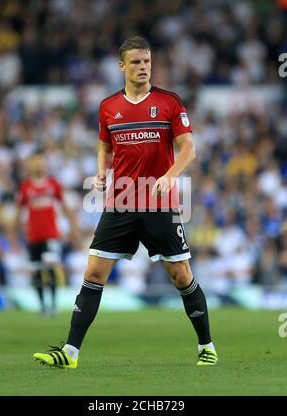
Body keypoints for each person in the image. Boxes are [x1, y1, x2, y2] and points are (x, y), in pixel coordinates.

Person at [33, 36, 218, 367]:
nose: (143, 67)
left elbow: (189, 148)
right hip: (121, 202)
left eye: (147, 61)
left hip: (160, 204)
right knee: (93, 271)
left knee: (181, 276)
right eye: (136, 62)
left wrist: (170, 175)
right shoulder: (108, 107)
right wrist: (100, 171)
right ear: (122, 66)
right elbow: (104, 146)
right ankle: (70, 352)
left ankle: (207, 345)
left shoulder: (169, 102)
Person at [15, 151, 79, 315]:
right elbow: (18, 211)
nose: (38, 165)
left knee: (50, 268)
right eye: (34, 162)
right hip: (33, 236)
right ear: (29, 165)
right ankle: (43, 306)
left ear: (44, 164)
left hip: (51, 235)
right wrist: (15, 235)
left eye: (40, 162)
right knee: (36, 271)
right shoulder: (26, 187)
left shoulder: (53, 184)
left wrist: (73, 228)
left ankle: (53, 305)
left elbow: (64, 207)